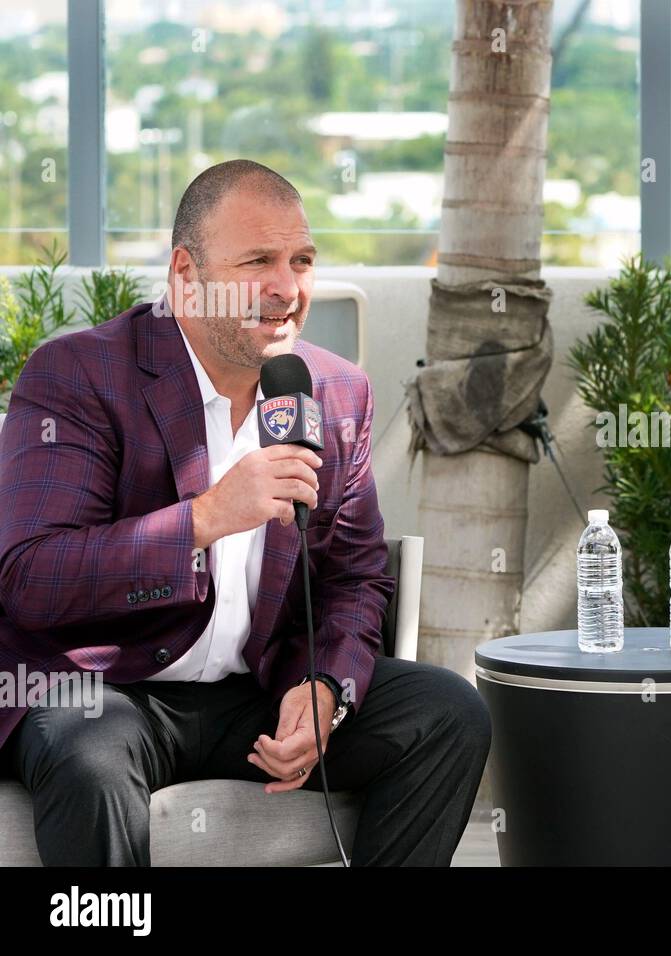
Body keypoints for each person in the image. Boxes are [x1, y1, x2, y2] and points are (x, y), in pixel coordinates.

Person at [0, 159, 491, 866]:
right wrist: (202, 519)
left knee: (447, 712)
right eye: (259, 260)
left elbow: (354, 581)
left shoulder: (333, 392)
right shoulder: (79, 376)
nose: (288, 289)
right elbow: (32, 577)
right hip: (105, 689)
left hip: (249, 694)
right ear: (186, 275)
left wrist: (327, 688)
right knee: (92, 755)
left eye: (301, 260)